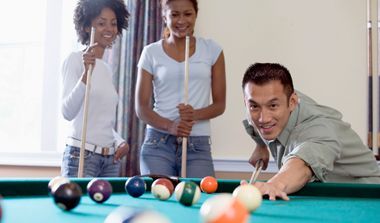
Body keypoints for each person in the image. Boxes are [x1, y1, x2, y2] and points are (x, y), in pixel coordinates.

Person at [242, 63, 380, 200]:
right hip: (323, 196)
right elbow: (252, 120)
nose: (263, 118)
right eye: (254, 106)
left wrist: (275, 184)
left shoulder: (319, 129)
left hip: (367, 195)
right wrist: (260, 146)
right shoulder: (265, 101)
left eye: (273, 106)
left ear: (292, 102)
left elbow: (301, 164)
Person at [135, 0, 226, 177]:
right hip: (157, 142)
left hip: (197, 143)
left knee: (201, 199)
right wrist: (170, 126)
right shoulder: (151, 52)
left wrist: (194, 115)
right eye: (174, 15)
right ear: (164, 17)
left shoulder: (212, 50)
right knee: (159, 200)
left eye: (187, 14)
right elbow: (141, 108)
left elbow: (220, 104)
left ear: (196, 15)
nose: (181, 20)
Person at [61, 0, 130, 177]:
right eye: (101, 23)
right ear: (86, 27)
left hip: (110, 161)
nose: (109, 28)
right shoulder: (75, 60)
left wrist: (120, 141)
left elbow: (100, 121)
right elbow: (67, 112)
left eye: (113, 23)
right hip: (82, 156)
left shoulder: (106, 68)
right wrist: (86, 74)